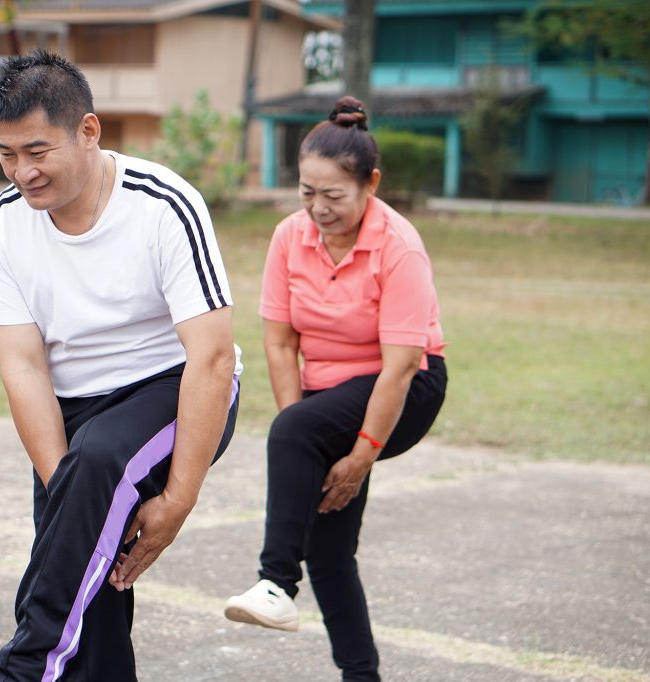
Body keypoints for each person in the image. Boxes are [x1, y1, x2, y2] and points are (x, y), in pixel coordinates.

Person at [0, 50, 241, 682]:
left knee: (94, 473)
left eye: (38, 151)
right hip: (72, 409)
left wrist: (178, 499)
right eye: (7, 155)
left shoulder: (164, 204)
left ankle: (22, 669)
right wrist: (64, 492)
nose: (23, 172)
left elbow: (212, 358)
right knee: (90, 582)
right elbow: (23, 369)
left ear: (88, 131)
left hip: (173, 387)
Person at [223, 96, 447, 682]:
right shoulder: (288, 237)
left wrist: (361, 454)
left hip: (409, 385)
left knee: (297, 432)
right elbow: (279, 344)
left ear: (371, 183)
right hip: (327, 400)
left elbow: (402, 366)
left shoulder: (398, 245)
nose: (318, 208)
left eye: (333, 195)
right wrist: (303, 434)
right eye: (306, 192)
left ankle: (275, 582)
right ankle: (360, 675)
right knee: (327, 550)